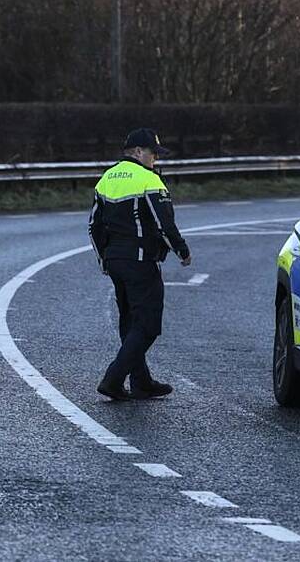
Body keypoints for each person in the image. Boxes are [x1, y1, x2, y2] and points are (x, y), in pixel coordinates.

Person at [88, 128, 192, 401]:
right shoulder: (149, 180)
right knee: (147, 326)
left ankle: (141, 381)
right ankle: (113, 379)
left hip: (115, 261)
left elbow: (93, 226)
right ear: (137, 152)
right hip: (141, 261)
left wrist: (104, 259)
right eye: (153, 153)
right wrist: (181, 250)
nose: (155, 159)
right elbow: (163, 222)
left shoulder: (106, 178)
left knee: (129, 321)